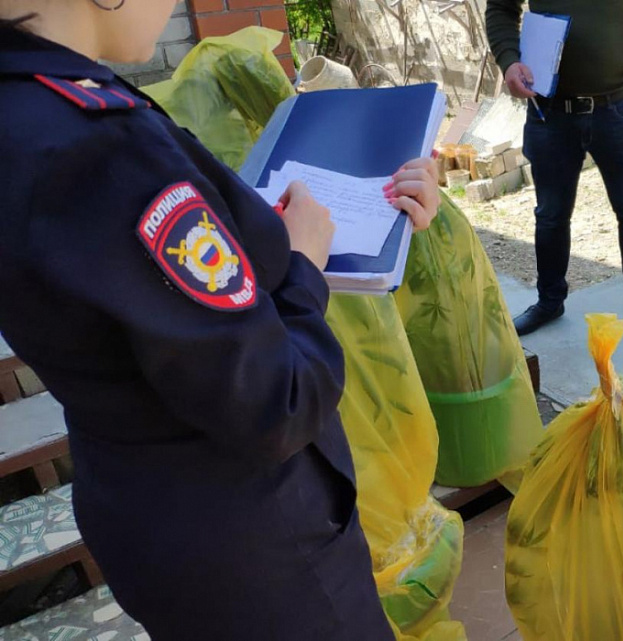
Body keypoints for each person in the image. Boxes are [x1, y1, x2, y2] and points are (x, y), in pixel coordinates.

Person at [0, 2, 439, 638]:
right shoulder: (98, 141)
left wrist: (259, 233)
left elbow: (130, 284)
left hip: (150, 514)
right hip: (258, 547)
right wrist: (303, 264)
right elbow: (278, 400)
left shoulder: (34, 100)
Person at [486, 0, 623, 335]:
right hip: (549, 111)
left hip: (621, 109)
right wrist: (509, 61)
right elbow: (500, 8)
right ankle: (549, 301)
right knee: (551, 215)